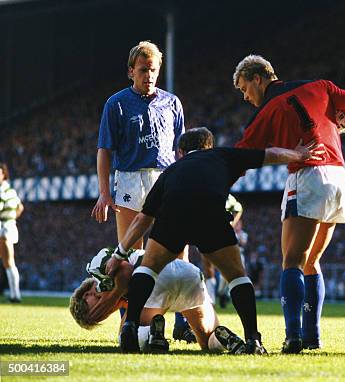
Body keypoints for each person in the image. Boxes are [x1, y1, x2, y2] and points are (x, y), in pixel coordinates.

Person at [105, 127, 324, 354]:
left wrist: (119, 253)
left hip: (173, 215)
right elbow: (270, 154)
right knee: (237, 277)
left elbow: (143, 219)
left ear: (180, 151)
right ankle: (252, 339)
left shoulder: (170, 171)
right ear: (210, 146)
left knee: (148, 269)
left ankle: (130, 326)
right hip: (211, 214)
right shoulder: (223, 155)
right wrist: (297, 154)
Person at [232, 55, 345, 353]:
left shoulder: (267, 110)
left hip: (307, 177)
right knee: (311, 261)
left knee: (291, 261)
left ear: (258, 78)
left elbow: (240, 156)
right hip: (338, 177)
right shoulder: (320, 86)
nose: (245, 97)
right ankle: (312, 335)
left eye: (245, 88)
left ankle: (293, 336)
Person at [90, 40, 192, 341]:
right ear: (131, 71)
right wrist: (104, 192)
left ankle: (183, 323)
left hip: (165, 178)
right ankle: (130, 322)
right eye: (143, 69)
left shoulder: (172, 103)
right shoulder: (116, 103)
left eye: (154, 70)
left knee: (178, 251)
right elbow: (104, 151)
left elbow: (181, 150)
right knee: (130, 256)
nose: (149, 75)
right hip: (130, 180)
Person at [70, 248, 246, 353]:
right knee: (208, 342)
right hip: (187, 272)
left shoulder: (97, 268)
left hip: (154, 276)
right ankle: (224, 338)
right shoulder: (114, 297)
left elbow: (125, 270)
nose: (102, 315)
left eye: (94, 313)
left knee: (125, 337)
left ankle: (153, 333)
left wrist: (112, 297)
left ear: (85, 295)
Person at [0, 163, 24, 303]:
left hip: (4, 228)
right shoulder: (11, 191)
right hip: (8, 226)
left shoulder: (4, 191)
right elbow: (20, 207)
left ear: (4, 175)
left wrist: (9, 219)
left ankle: (15, 295)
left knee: (8, 262)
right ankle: (15, 294)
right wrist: (12, 218)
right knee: (8, 262)